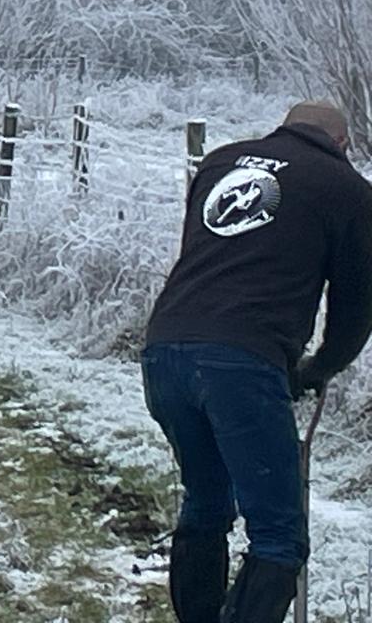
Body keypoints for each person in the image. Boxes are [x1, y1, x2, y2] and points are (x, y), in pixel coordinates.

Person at [141, 101, 372, 623]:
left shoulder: (222, 161)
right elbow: (357, 305)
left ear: (284, 128)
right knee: (278, 535)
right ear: (343, 145)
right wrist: (320, 367)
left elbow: (204, 255)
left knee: (206, 503)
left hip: (164, 350)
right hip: (242, 362)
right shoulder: (347, 189)